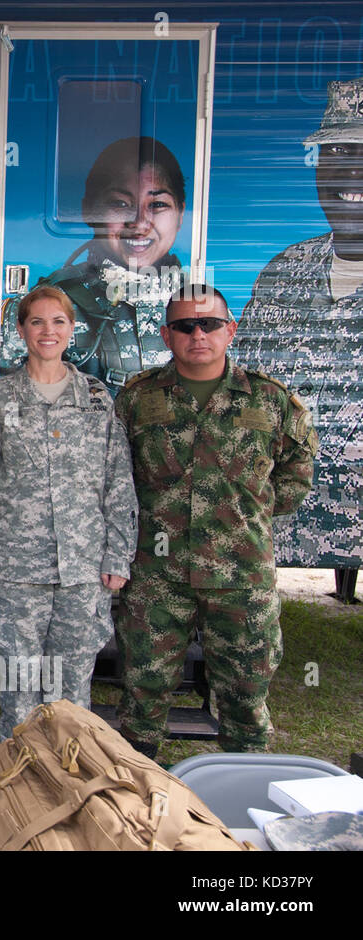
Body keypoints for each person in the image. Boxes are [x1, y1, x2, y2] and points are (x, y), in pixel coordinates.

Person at [114, 284, 317, 758]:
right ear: (167, 335)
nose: (198, 334)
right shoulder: (138, 400)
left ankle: (243, 793)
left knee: (246, 697)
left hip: (241, 574)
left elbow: (296, 474)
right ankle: (133, 798)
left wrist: (242, 517)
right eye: (185, 326)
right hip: (158, 574)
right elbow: (116, 477)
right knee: (142, 695)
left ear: (231, 330)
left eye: (209, 324)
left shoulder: (270, 400)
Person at [0, 285, 137, 739]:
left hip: (82, 571)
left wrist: (118, 556)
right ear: (20, 330)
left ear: (71, 328)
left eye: (58, 322)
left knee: (72, 694)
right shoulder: (0, 398)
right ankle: (18, 792)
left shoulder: (96, 399)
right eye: (36, 321)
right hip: (15, 570)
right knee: (18, 691)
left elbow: (117, 482)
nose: (47, 331)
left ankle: (72, 790)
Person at [234, 77, 363, 568]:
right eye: (337, 150)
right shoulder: (284, 270)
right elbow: (240, 392)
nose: (351, 172)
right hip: (277, 526)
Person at [2, 136, 188, 393]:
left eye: (157, 205)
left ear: (181, 213)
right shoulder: (46, 303)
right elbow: (9, 399)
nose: (140, 222)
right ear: (90, 211)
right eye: (120, 204)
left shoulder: (200, 304)